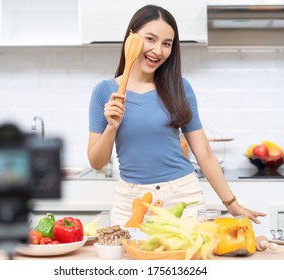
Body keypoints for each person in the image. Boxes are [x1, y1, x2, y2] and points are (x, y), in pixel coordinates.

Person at [88, 4, 266, 226]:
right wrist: (111, 127)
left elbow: (204, 154)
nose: (158, 51)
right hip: (130, 202)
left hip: (183, 196)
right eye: (150, 39)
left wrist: (231, 203)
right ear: (131, 38)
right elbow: (96, 162)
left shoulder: (180, 88)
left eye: (166, 44)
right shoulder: (105, 92)